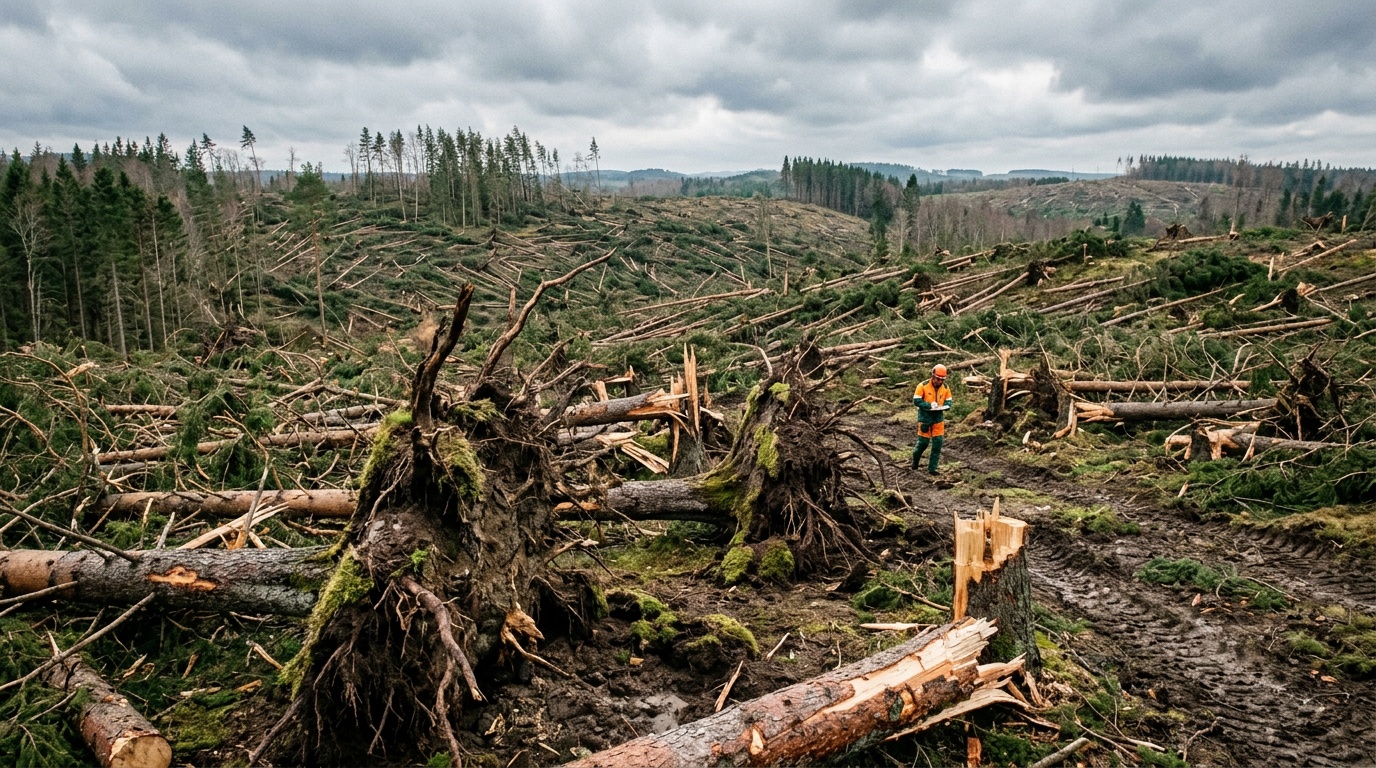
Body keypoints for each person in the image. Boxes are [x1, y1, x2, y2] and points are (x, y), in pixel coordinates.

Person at [912, 364, 953, 475]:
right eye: (937, 379)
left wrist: (946, 406)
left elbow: (949, 401)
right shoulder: (922, 386)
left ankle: (932, 469)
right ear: (932, 376)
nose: (939, 381)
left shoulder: (945, 388)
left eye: (942, 379)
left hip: (938, 419)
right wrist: (929, 405)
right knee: (923, 444)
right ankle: (915, 462)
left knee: (937, 444)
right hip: (925, 418)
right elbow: (916, 401)